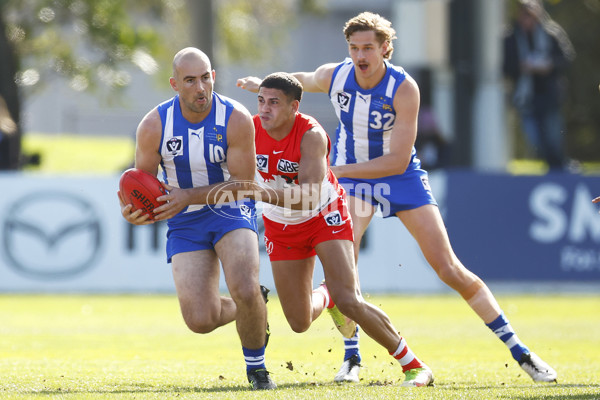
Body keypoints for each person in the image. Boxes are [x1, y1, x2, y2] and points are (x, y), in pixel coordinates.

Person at [238, 11, 557, 383]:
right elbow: (300, 84)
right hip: (350, 183)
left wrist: (335, 172)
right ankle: (352, 358)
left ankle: (520, 351)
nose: (360, 56)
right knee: (346, 276)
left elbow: (397, 159)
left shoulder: (403, 87)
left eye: (368, 48)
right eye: (354, 48)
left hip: (396, 176)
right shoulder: (336, 75)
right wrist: (264, 86)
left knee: (448, 268)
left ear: (385, 48)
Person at [246, 71, 433, 387]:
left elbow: (308, 197)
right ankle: (327, 295)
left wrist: (256, 192)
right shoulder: (249, 129)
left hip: (324, 215)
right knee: (299, 321)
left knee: (351, 300)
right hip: (281, 225)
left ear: (295, 107)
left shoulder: (311, 136)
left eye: (274, 103)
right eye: (261, 101)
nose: (264, 109)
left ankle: (415, 366)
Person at [118, 47, 275, 390]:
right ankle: (254, 306)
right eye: (190, 80)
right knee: (200, 321)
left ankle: (257, 370)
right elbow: (142, 188)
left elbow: (245, 185)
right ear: (175, 84)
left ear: (213, 77)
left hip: (231, 209)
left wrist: (187, 195)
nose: (200, 87)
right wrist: (135, 213)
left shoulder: (235, 117)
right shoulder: (153, 125)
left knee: (244, 285)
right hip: (185, 222)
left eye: (205, 77)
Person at [503, 0, 575, 170]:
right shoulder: (511, 38)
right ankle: (553, 167)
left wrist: (549, 65)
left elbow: (566, 59)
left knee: (553, 136)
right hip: (525, 97)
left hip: (549, 96)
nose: (527, 20)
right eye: (524, 15)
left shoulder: (551, 33)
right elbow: (504, 66)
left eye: (531, 16)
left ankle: (560, 169)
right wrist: (521, 67)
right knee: (536, 140)